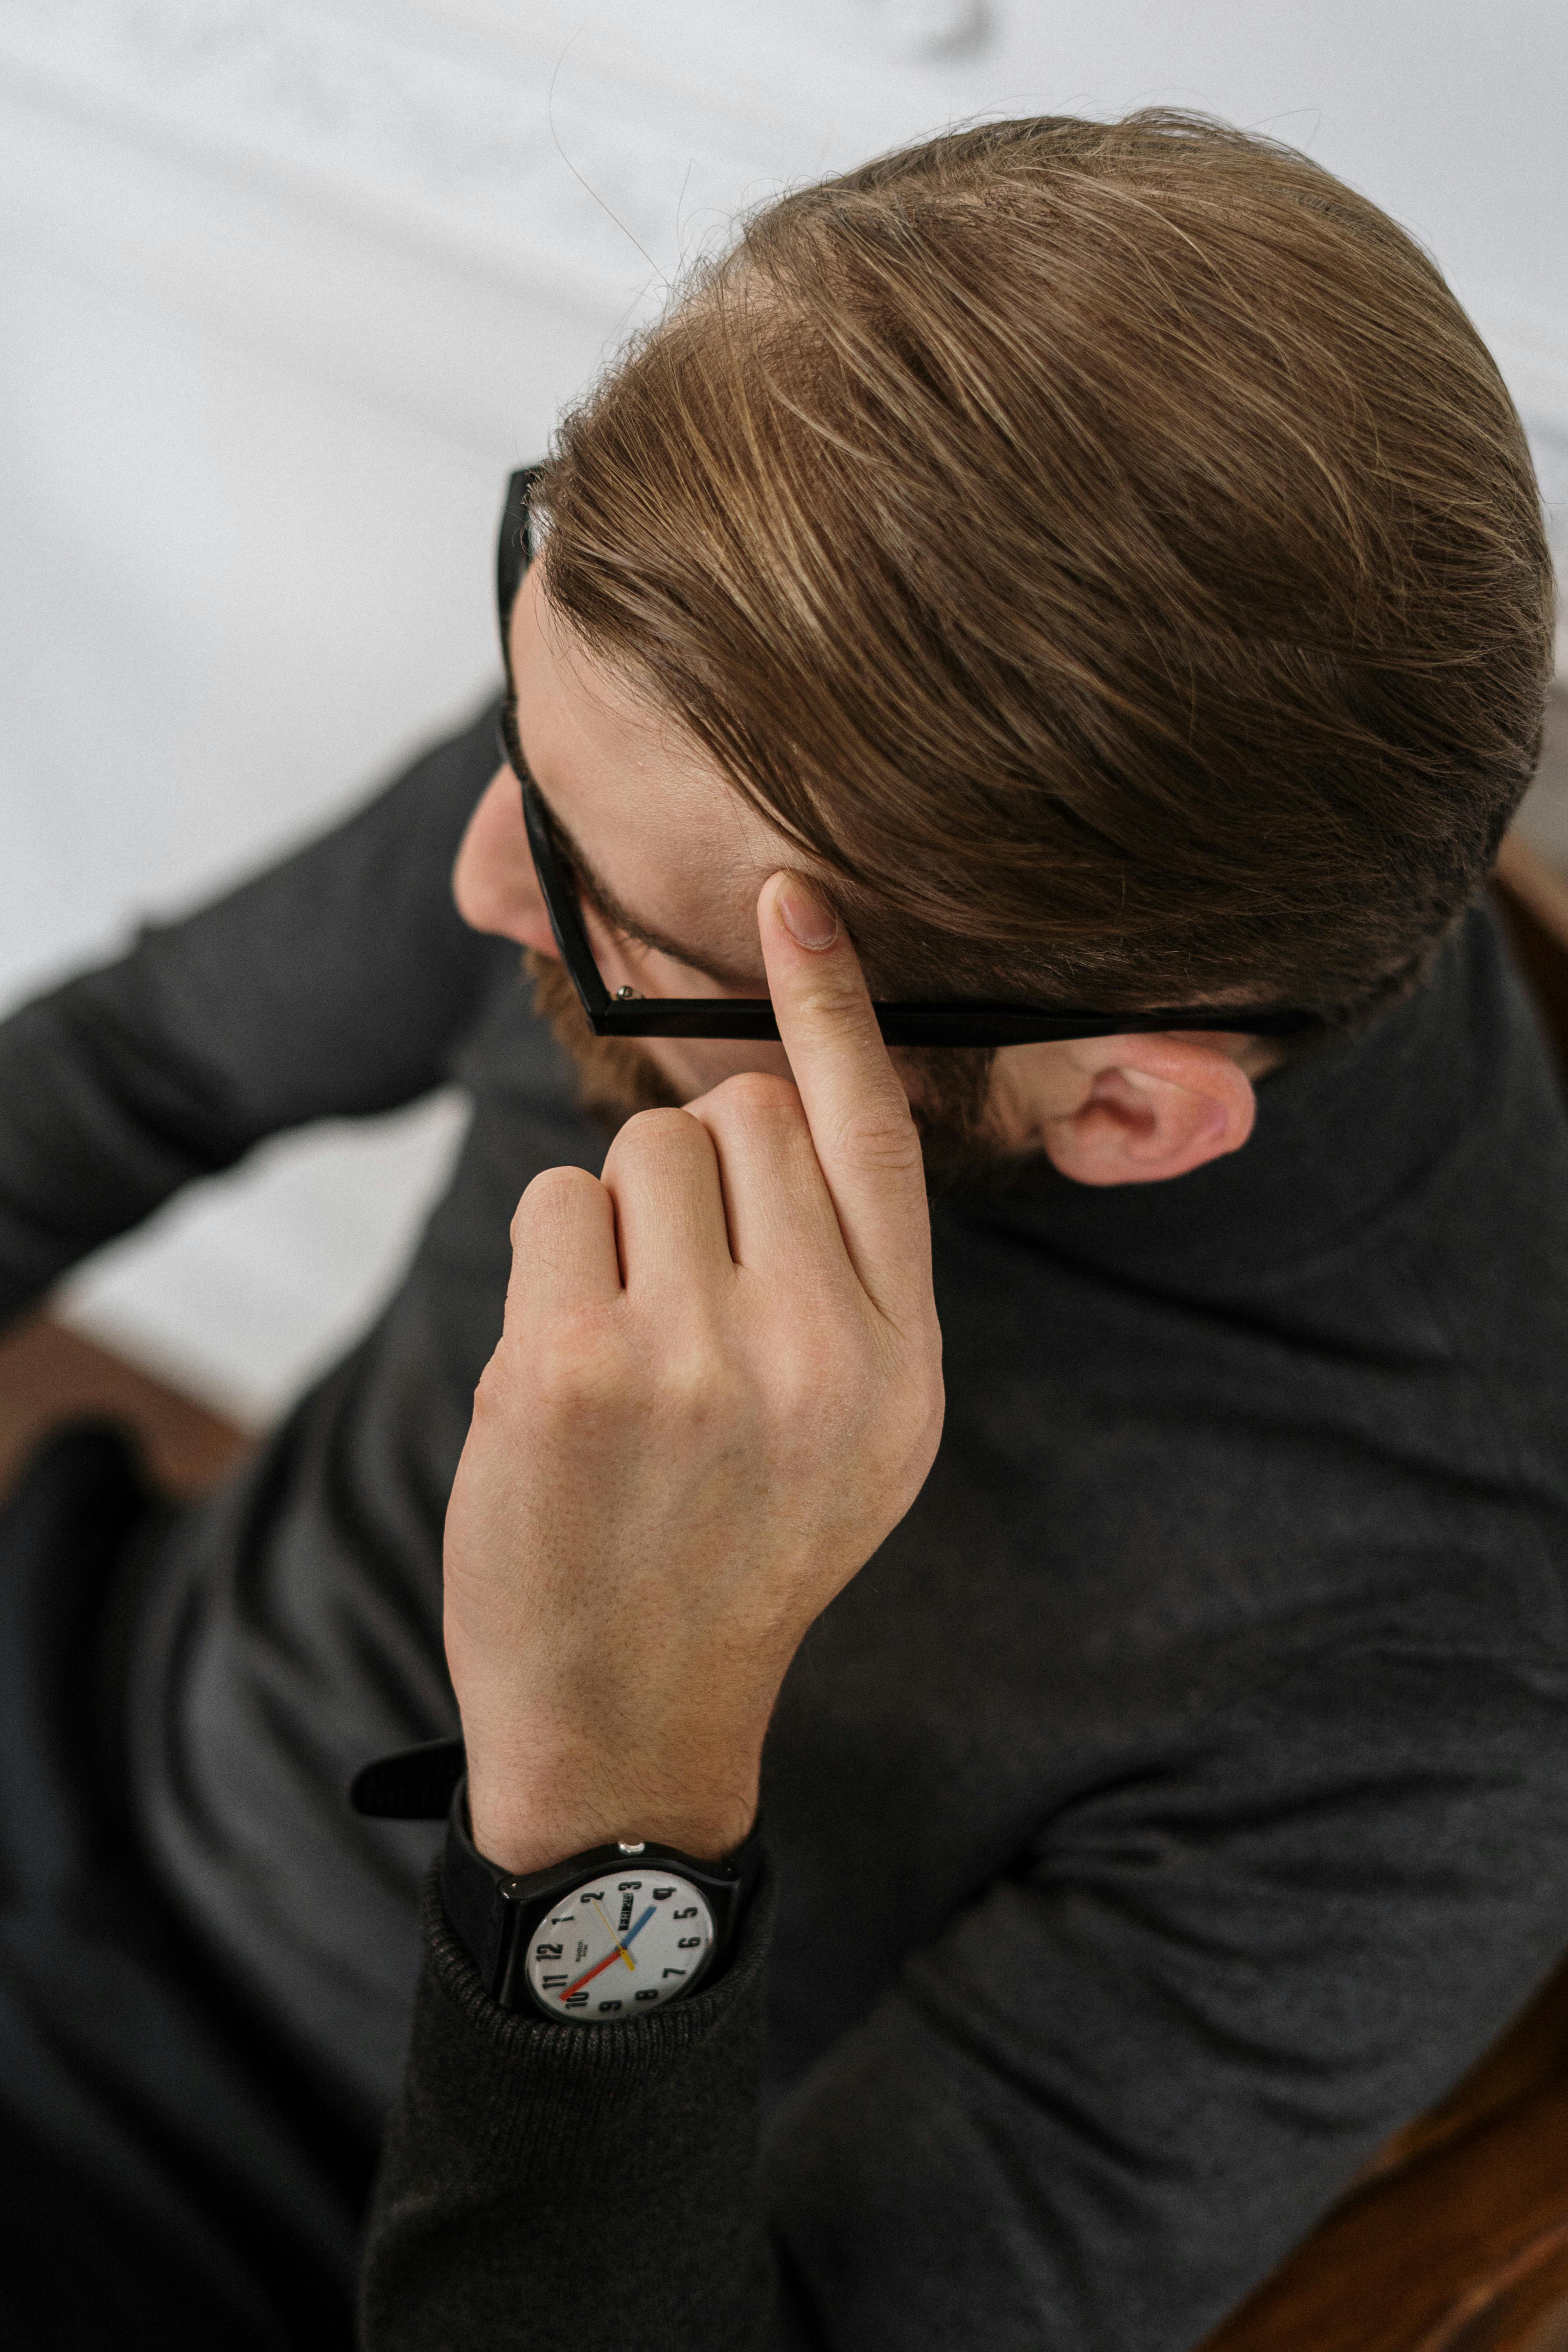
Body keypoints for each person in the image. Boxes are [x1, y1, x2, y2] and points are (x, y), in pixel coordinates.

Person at [0, 108, 1564, 2351]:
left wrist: (613, 1791)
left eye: (604, 920)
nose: (476, 889)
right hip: (84, 1704)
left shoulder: (1441, 1680)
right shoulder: (673, 760)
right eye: (531, 764)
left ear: (1123, 1106)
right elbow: (141, 1067)